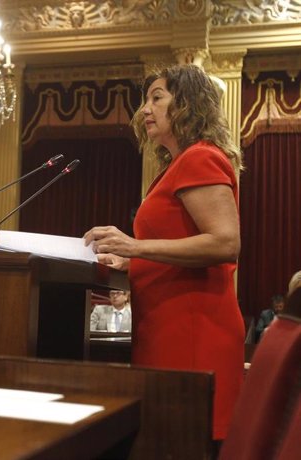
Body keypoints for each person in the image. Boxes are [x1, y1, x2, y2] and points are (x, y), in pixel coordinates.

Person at [83, 64, 244, 442]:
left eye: (158, 98)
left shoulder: (199, 158)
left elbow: (225, 242)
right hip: (165, 327)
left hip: (192, 333)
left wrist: (135, 246)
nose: (145, 109)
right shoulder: (178, 164)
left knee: (185, 441)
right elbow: (177, 242)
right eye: (146, 100)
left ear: (187, 104)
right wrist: (130, 260)